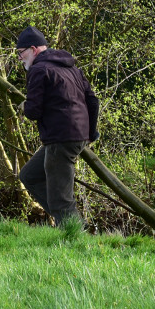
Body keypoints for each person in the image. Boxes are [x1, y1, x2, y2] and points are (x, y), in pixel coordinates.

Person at [15, 25, 100, 227]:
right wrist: (90, 133)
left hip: (60, 139)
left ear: (34, 49)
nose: (20, 58)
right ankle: (72, 222)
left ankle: (76, 235)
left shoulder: (38, 70)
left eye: (21, 53)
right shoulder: (71, 68)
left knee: (60, 198)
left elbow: (34, 112)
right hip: (74, 137)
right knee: (29, 176)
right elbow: (93, 101)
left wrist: (25, 106)